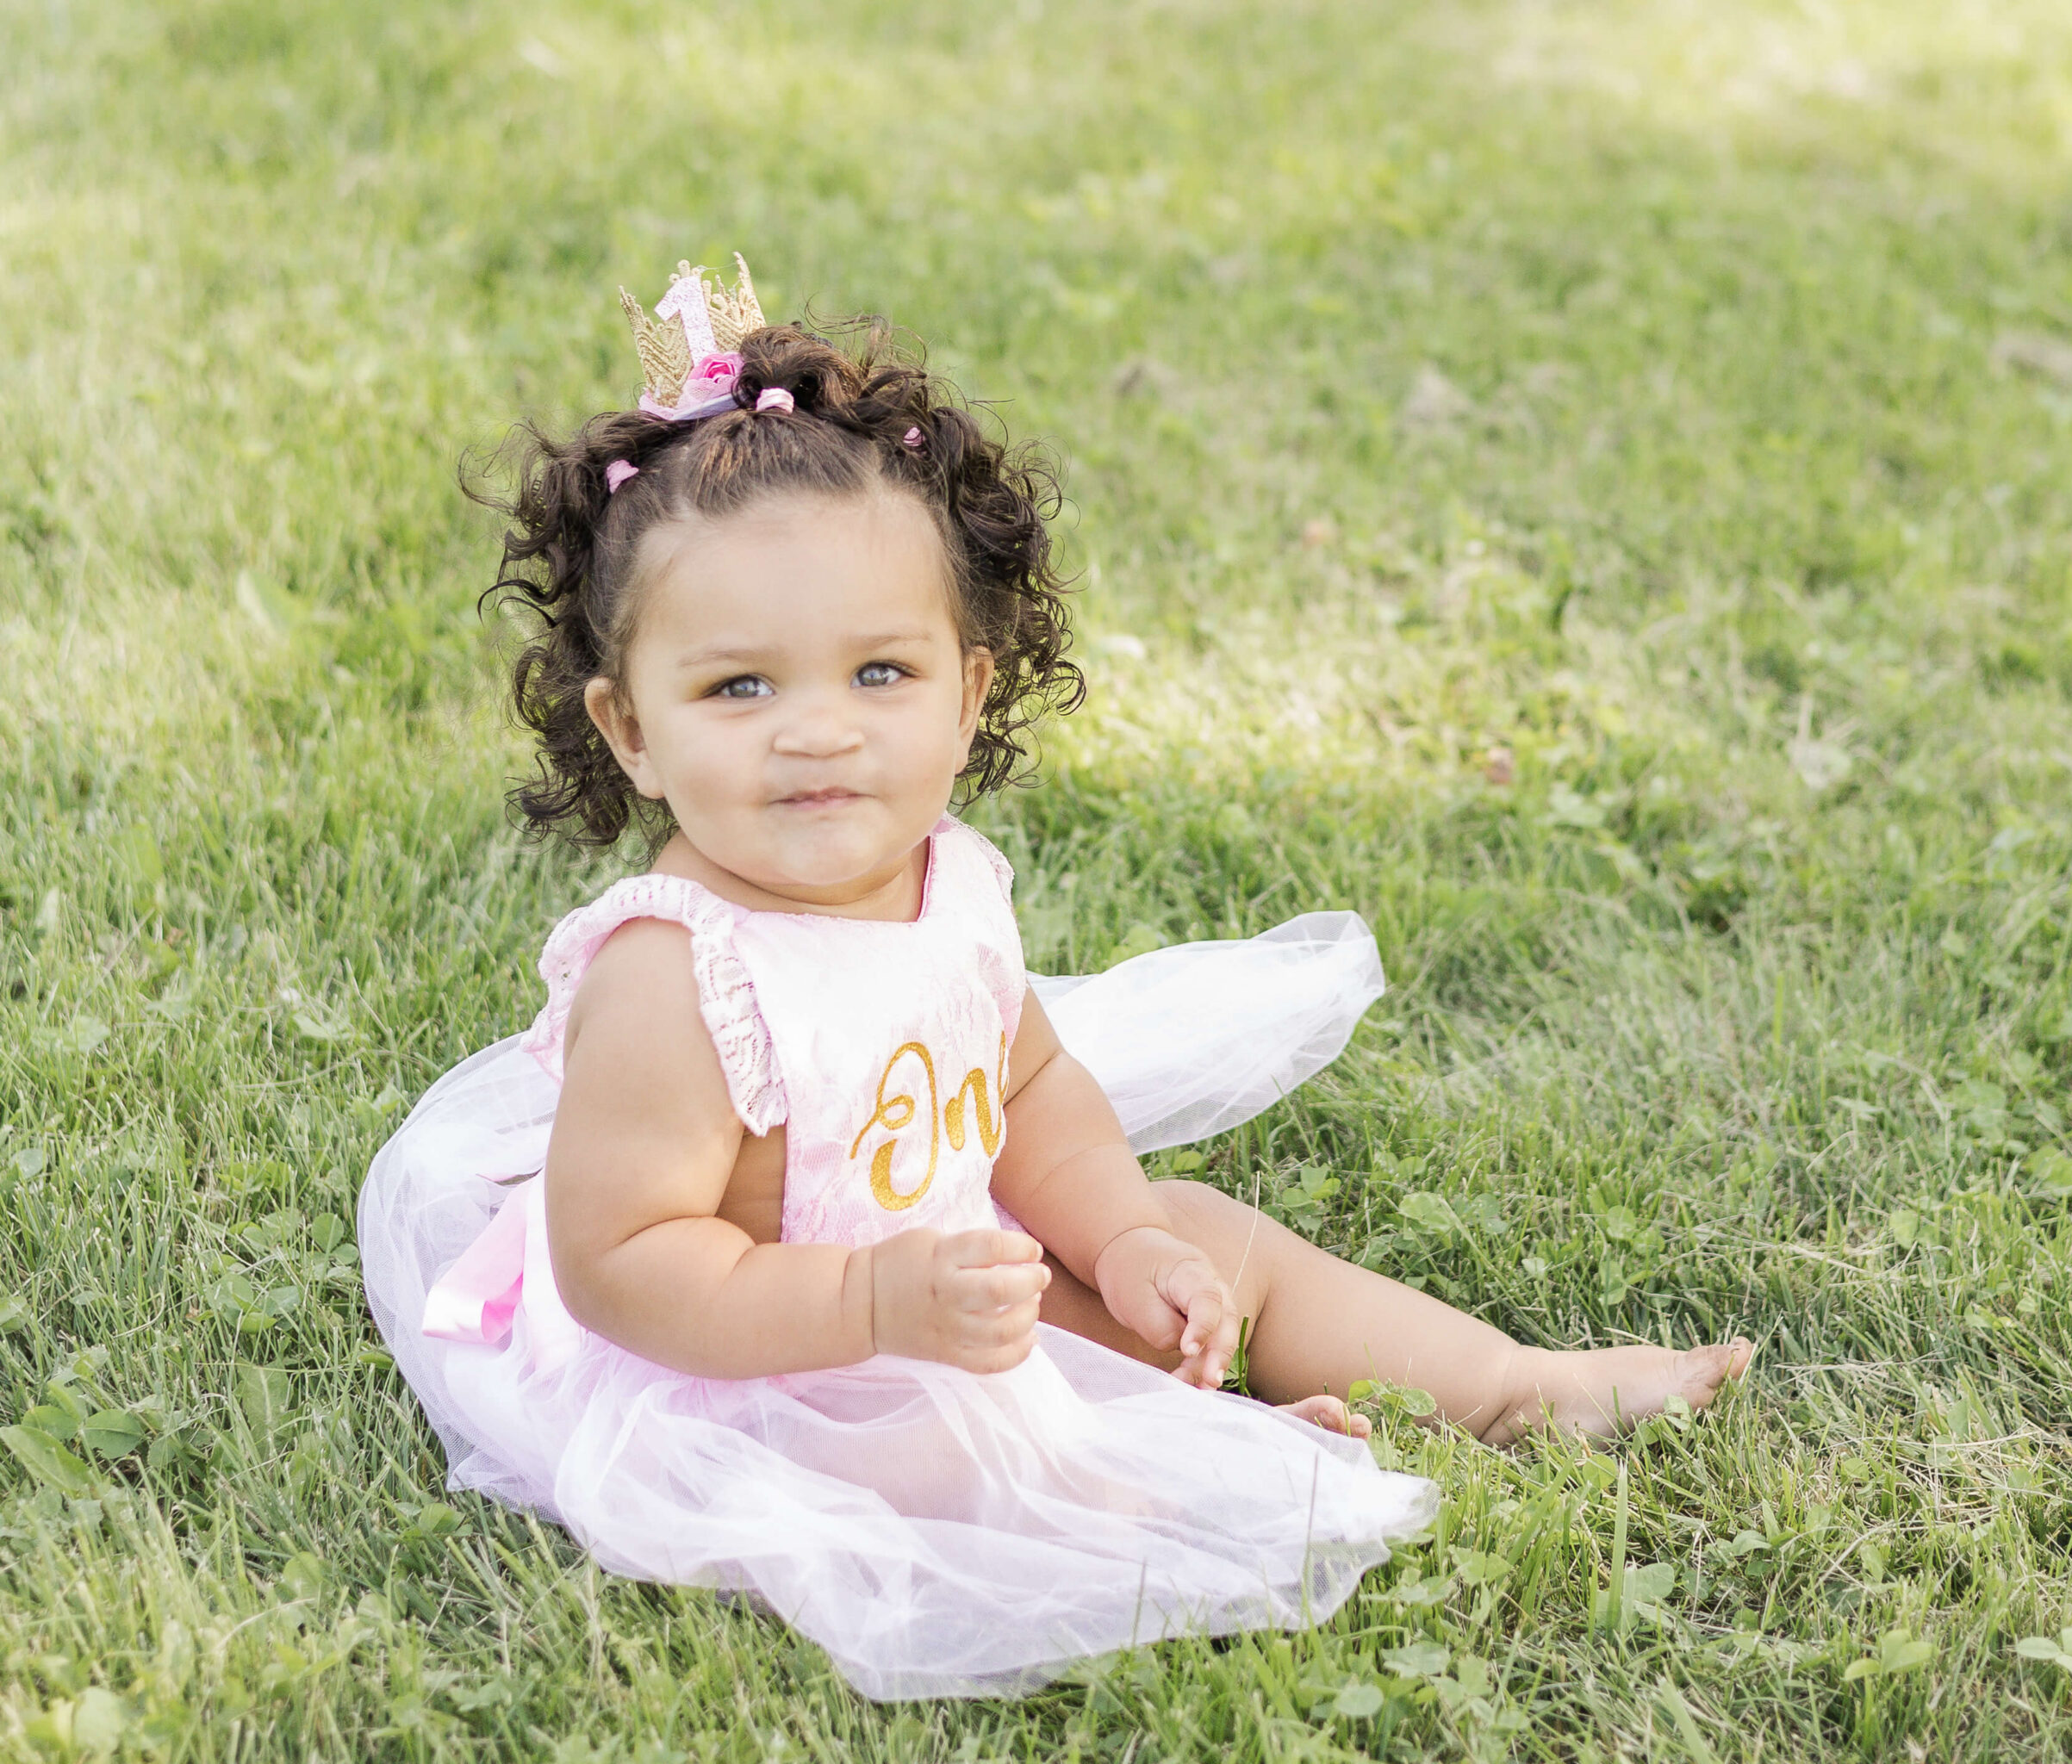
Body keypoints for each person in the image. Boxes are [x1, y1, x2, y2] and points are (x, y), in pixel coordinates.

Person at [358, 256, 1751, 1700]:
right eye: (739, 688)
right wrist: (874, 1311)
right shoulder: (676, 975)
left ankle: (1518, 1386)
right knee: (936, 1433)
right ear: (631, 729)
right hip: (761, 1356)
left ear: (967, 693)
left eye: (877, 675)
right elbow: (628, 1268)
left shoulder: (949, 880)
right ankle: (1193, 1482)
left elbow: (1026, 1083)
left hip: (941, 1268)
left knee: (1208, 1242)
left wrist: (1125, 1238)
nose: (819, 733)